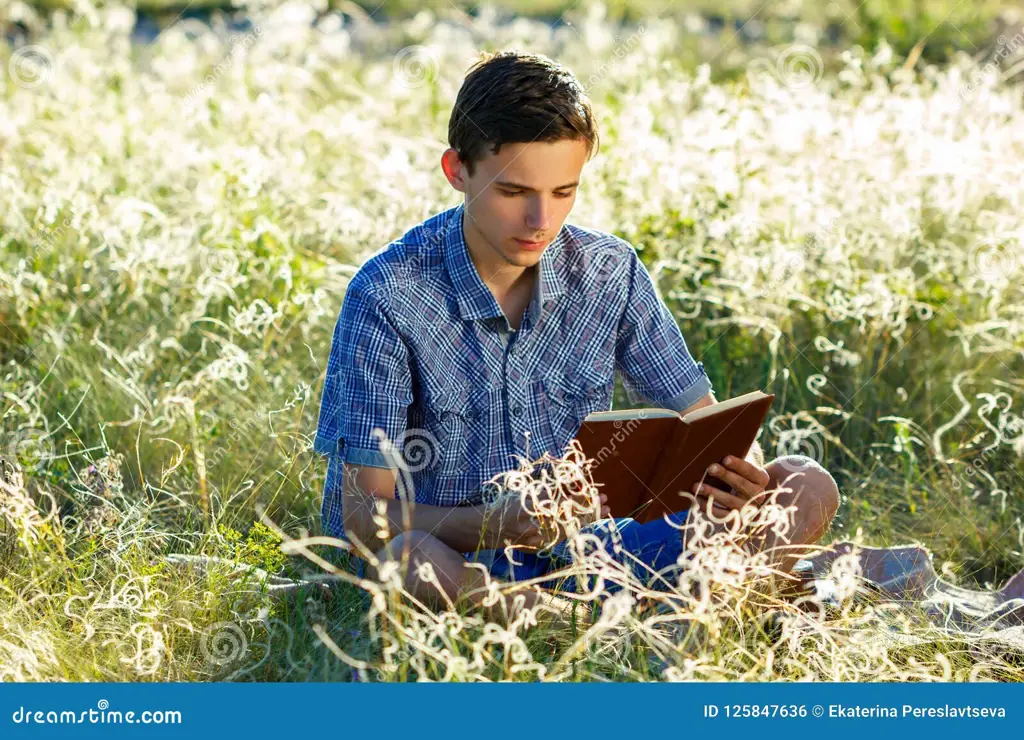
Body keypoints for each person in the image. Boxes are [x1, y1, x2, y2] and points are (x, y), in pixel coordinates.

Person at [314, 50, 839, 622]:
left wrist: (739, 474)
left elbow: (707, 425)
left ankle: (664, 614)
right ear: (457, 170)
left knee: (806, 483)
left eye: (564, 192)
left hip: (600, 550)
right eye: (514, 192)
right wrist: (496, 523)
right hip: (464, 559)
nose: (541, 219)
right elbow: (365, 519)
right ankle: (638, 622)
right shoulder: (387, 294)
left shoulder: (610, 270)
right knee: (407, 561)